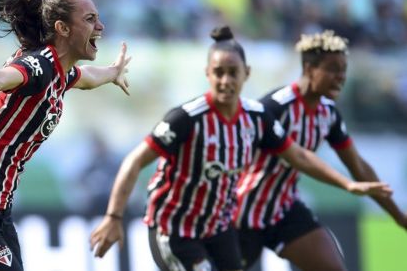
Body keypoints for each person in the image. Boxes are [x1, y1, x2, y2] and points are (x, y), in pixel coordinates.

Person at [89, 26, 391, 271]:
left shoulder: (257, 118)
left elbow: (298, 155)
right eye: (218, 72)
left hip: (219, 228)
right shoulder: (186, 118)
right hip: (175, 229)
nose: (225, 80)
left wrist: (347, 183)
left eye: (232, 72)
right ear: (208, 74)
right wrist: (113, 217)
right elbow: (134, 160)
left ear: (246, 73)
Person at [0, 0, 131, 271]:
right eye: (90, 19)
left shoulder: (61, 71)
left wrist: (111, 73)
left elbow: (85, 78)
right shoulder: (38, 67)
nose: (100, 26)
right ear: (63, 28)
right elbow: (1, 77)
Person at [234, 30, 407, 271]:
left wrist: (398, 216)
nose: (340, 77)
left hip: (284, 210)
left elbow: (357, 167)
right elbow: (236, 149)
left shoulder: (329, 114)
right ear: (308, 69)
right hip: (242, 213)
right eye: (332, 69)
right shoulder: (275, 106)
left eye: (343, 70)